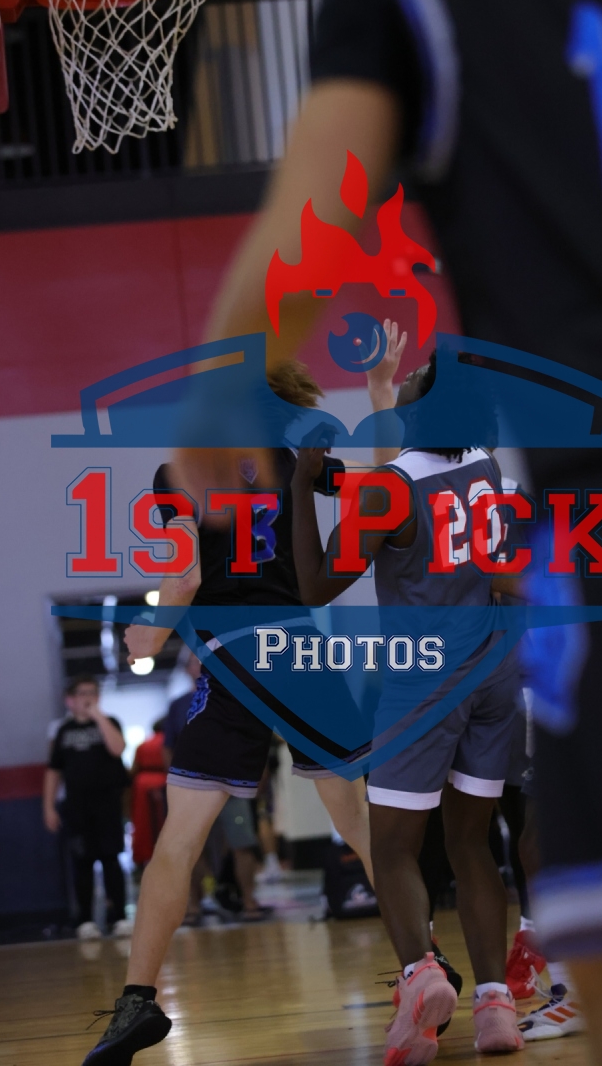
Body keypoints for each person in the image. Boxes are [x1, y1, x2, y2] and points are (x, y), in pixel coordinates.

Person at [178, 0, 602, 1064]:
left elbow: (313, 235)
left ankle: (448, 981)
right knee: (501, 841)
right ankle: (500, 987)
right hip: (529, 633)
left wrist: (231, 401)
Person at [79, 361, 374, 1066]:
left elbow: (184, 576)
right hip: (299, 653)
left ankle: (138, 1003)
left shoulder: (180, 474)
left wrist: (151, 634)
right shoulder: (295, 462)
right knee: (364, 829)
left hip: (235, 660)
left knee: (178, 843)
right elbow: (385, 489)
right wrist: (383, 398)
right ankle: (426, 965)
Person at [292, 351, 526, 1058]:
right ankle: (496, 1007)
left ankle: (421, 975)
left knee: (393, 847)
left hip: (426, 679)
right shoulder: (487, 466)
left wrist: (302, 487)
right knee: (472, 844)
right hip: (496, 674)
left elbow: (316, 584)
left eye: (417, 378)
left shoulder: (391, 487)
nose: (411, 378)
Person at [162, 653, 267, 924]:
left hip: (232, 783)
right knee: (189, 847)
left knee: (242, 843)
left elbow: (252, 738)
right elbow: (168, 748)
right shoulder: (177, 706)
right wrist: (175, 783)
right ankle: (193, 905)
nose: (201, 665)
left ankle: (249, 900)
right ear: (187, 670)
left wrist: (256, 776)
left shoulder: (237, 697)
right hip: (192, 787)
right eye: (195, 662)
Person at [44, 675, 132, 940]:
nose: (88, 697)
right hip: (76, 806)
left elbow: (117, 748)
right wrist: (48, 807)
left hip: (107, 803)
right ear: (70, 700)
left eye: (92, 692)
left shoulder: (110, 722)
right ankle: (85, 920)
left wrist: (98, 716)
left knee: (111, 860)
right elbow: (53, 770)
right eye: (82, 693)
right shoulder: (63, 731)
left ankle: (119, 917)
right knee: (82, 862)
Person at [129, 721, 167, 871]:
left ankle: (143, 858)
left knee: (143, 823)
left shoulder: (143, 745)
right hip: (164, 782)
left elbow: (134, 768)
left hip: (142, 785)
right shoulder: (168, 743)